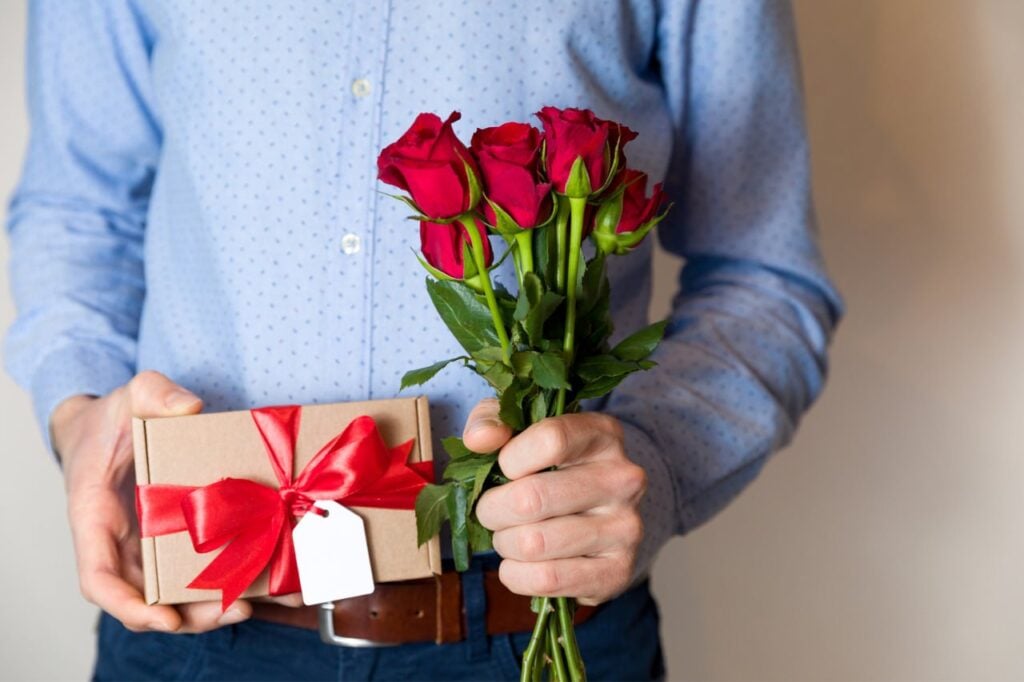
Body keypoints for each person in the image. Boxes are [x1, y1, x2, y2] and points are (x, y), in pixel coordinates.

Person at [4, 0, 841, 680]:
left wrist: (659, 464)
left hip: (536, 629)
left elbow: (762, 273)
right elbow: (79, 210)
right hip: (193, 614)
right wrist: (80, 418)